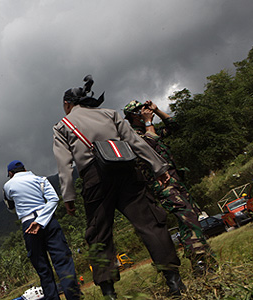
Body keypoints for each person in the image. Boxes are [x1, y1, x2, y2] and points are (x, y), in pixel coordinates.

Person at [52, 76, 185, 299]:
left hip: (95, 178)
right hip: (127, 169)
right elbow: (135, 141)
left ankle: (109, 293)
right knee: (150, 223)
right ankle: (174, 282)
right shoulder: (110, 114)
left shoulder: (62, 126)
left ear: (67, 104)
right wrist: (159, 167)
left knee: (99, 234)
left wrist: (69, 197)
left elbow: (64, 164)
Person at [123, 100, 214, 275]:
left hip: (175, 180)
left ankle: (203, 260)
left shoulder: (151, 129)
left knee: (190, 217)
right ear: (133, 116)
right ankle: (200, 261)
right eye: (140, 110)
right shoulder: (132, 135)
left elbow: (174, 126)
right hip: (162, 185)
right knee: (187, 216)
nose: (144, 112)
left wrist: (157, 111)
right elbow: (148, 146)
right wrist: (148, 122)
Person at [3, 160, 81, 300]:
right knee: (63, 262)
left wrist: (35, 222)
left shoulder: (8, 186)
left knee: (43, 269)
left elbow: (10, 207)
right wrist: (41, 220)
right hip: (50, 222)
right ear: (25, 169)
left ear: (10, 173)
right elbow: (53, 200)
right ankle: (74, 297)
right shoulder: (40, 180)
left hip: (28, 224)